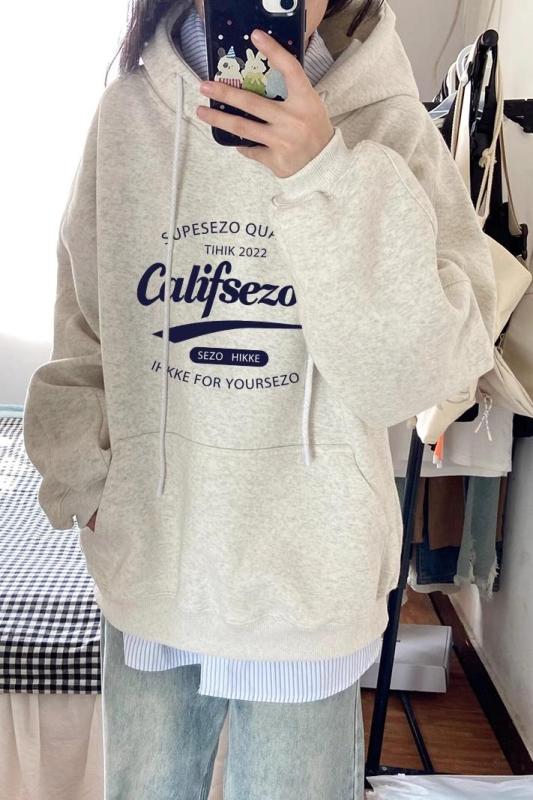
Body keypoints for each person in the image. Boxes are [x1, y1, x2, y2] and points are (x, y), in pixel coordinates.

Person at [23, 0, 497, 797]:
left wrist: (323, 173)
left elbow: (413, 379)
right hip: (154, 562)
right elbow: (82, 324)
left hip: (308, 582)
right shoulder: (127, 116)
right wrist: (89, 482)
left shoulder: (388, 126)